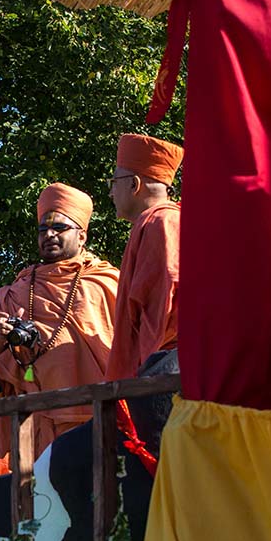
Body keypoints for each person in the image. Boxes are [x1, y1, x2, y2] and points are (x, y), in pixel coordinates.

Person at [0, 183, 120, 458]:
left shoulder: (107, 284)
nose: (48, 235)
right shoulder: (14, 292)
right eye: (42, 229)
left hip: (99, 417)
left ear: (82, 236)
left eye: (59, 228)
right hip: (36, 425)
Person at [105, 133, 184, 381]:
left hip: (167, 370)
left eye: (114, 182)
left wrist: (144, 372)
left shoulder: (160, 222)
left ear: (134, 185)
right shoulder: (168, 220)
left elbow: (162, 295)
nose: (111, 193)